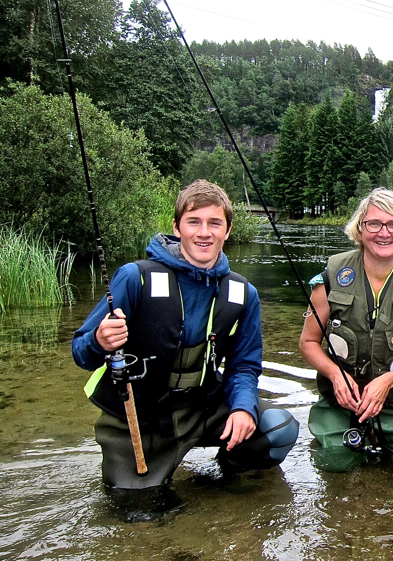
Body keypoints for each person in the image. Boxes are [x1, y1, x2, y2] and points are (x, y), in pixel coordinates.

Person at [72, 180, 299, 490]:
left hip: (201, 410)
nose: (204, 232)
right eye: (194, 221)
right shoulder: (134, 277)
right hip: (138, 420)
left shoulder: (244, 294)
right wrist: (99, 340)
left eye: (214, 223)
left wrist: (244, 407)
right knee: (141, 513)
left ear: (227, 230)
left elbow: (244, 366)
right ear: (177, 228)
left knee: (279, 428)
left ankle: (223, 476)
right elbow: (80, 353)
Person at [301, 187, 393, 469]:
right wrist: (336, 375)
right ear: (360, 229)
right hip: (340, 404)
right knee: (333, 462)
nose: (384, 233)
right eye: (374, 224)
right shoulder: (330, 276)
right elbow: (308, 342)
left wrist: (388, 381)